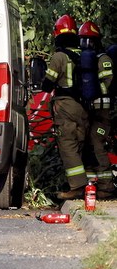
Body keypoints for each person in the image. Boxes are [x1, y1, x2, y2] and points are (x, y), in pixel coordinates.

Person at [41, 14, 90, 199]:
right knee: (79, 144)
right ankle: (86, 184)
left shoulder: (59, 57)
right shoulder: (83, 55)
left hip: (66, 106)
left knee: (67, 145)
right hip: (84, 107)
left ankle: (77, 187)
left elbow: (48, 83)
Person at [79, 21, 115, 197]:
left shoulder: (104, 60)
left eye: (87, 40)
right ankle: (92, 185)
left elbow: (109, 83)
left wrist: (93, 89)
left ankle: (107, 186)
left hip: (103, 114)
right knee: (88, 146)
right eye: (82, 40)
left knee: (97, 143)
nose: (84, 44)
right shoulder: (87, 61)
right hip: (90, 113)